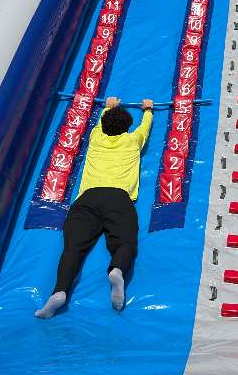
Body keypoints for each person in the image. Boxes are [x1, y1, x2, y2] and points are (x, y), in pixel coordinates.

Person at [36, 96, 153, 318]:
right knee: (125, 242)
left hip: (86, 200)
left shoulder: (96, 137)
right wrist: (147, 110)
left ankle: (59, 291)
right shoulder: (132, 141)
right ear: (127, 127)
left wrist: (109, 106)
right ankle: (117, 268)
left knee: (72, 250)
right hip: (118, 198)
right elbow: (144, 129)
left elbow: (100, 121)